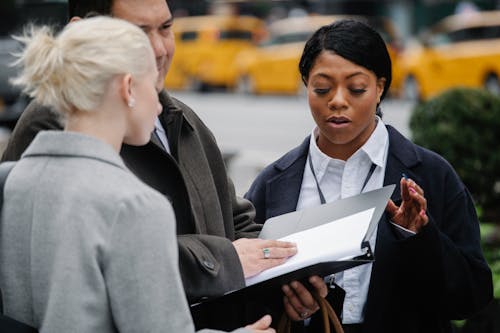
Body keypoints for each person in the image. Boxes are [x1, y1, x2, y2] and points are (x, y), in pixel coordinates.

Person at [1, 0, 328, 330]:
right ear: (128, 86)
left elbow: (233, 220)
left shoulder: (10, 180)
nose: (159, 49)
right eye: (141, 33)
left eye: (166, 28)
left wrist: (285, 272)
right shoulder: (135, 206)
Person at [245, 19, 493, 333]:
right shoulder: (273, 183)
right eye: (321, 88)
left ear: (380, 88)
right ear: (306, 85)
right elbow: (243, 293)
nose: (337, 100)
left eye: (356, 88)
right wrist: (288, 301)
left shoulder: (431, 175)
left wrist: (419, 237)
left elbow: (470, 297)